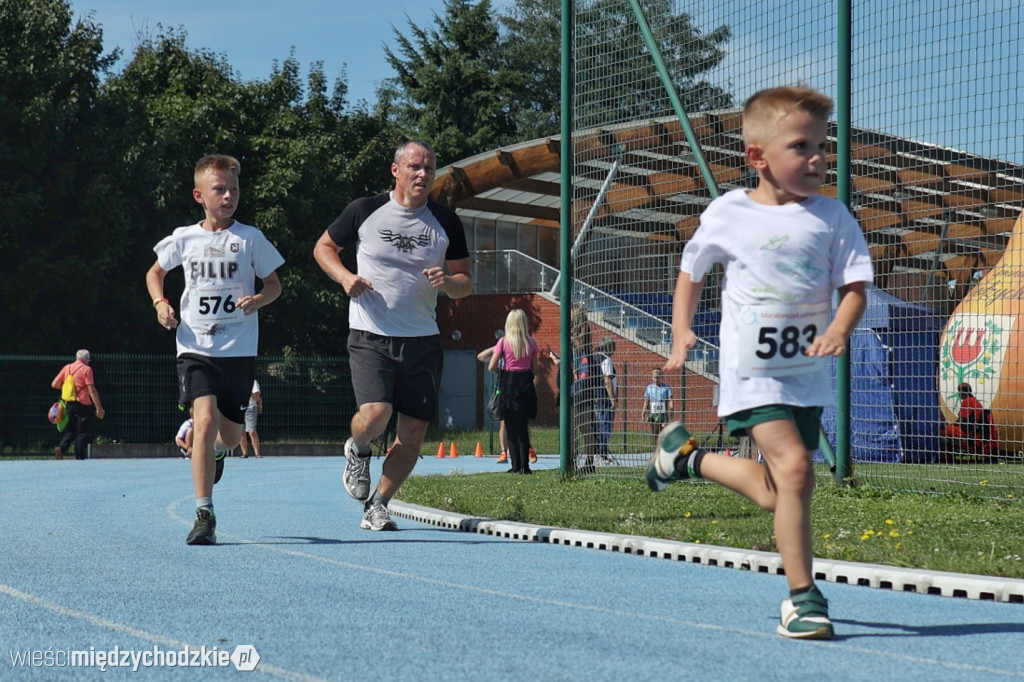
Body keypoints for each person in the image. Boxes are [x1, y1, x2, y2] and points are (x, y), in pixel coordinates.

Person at [644, 86, 873, 640]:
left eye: (823, 146)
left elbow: (856, 286)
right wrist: (681, 331)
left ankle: (685, 459)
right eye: (802, 147)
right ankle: (803, 598)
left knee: (782, 491)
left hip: (807, 374)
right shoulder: (729, 214)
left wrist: (841, 327)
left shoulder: (832, 217)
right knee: (796, 469)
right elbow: (691, 271)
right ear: (758, 158)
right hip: (753, 373)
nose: (818, 158)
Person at [313, 139, 473, 531]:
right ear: (396, 170)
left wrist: (448, 281)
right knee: (376, 414)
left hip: (422, 337)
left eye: (429, 168)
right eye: (415, 167)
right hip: (371, 331)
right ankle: (358, 448)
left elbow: (466, 282)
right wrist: (345, 277)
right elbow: (324, 247)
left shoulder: (445, 221)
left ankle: (379, 503)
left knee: (414, 433)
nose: (422, 174)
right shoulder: (365, 210)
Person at [146, 154, 284, 545]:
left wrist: (258, 300)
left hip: (238, 350)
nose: (229, 196)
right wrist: (161, 303)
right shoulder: (184, 237)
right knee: (203, 421)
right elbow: (155, 272)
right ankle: (204, 513)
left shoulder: (250, 238)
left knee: (229, 434)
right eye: (220, 189)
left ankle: (219, 454)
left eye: (234, 189)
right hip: (195, 346)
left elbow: (274, 284)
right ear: (199, 195)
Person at [487, 309, 540, 474]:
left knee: (510, 428)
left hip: (508, 386)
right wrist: (531, 386)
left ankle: (515, 465)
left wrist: (504, 373)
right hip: (525, 386)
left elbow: (491, 366)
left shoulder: (503, 342)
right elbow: (536, 371)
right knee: (523, 428)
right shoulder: (531, 343)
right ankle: (526, 466)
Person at [51, 349, 106, 460]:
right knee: (82, 432)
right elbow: (92, 390)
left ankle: (61, 449)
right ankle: (80, 457)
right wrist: (99, 408)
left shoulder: (67, 368)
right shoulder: (87, 369)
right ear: (86, 359)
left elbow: (54, 384)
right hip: (83, 404)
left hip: (69, 403)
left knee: (71, 430)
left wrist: (70, 389)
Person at [569, 305, 599, 474]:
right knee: (573, 427)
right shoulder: (574, 332)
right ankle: (572, 460)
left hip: (582, 388)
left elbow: (580, 344)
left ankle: (589, 461)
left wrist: (575, 336)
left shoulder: (583, 330)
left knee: (586, 426)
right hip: (575, 388)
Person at [941, 382, 997, 459]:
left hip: (964, 431)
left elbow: (961, 420)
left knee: (940, 429)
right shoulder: (975, 401)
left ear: (961, 392)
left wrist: (951, 424)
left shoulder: (967, 402)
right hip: (973, 430)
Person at [593, 338, 617, 463]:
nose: (614, 350)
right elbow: (608, 380)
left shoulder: (594, 358)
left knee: (598, 425)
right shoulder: (606, 360)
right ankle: (601, 453)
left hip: (595, 396)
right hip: (604, 398)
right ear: (607, 348)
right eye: (613, 347)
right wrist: (612, 399)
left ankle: (599, 452)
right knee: (605, 426)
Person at [641, 368, 674, 444]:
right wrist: (643, 413)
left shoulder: (666, 388)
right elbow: (646, 401)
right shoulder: (649, 388)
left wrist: (672, 411)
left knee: (663, 432)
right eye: (654, 377)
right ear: (652, 378)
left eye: (658, 378)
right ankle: (656, 449)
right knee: (655, 433)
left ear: (662, 378)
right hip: (653, 413)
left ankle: (663, 448)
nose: (656, 379)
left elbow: (670, 400)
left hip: (663, 413)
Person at [239, 379, 263, 458]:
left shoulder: (253, 382)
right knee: (241, 432)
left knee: (252, 431)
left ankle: (257, 453)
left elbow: (256, 397)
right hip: (239, 408)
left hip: (250, 408)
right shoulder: (236, 380)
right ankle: (244, 453)